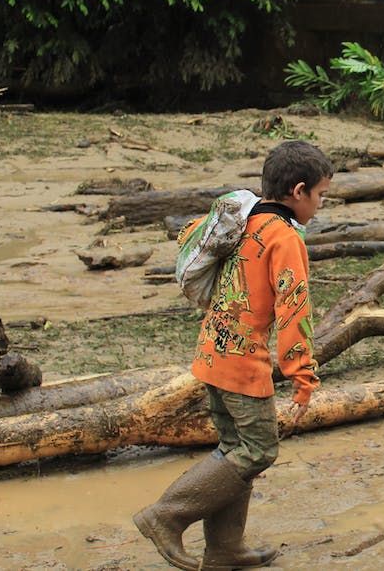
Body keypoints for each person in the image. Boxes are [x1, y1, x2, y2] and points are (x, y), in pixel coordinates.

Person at [134, 140, 332, 570]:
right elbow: (294, 310)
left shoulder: (245, 219)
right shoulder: (285, 237)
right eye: (320, 196)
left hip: (212, 351)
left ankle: (224, 549)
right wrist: (303, 379)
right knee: (259, 451)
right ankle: (167, 515)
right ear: (299, 191)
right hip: (243, 363)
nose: (319, 205)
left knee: (234, 447)